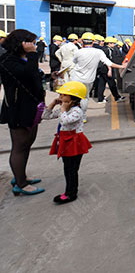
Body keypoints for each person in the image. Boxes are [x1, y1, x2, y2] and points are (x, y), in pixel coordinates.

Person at [0, 29, 46, 196]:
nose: (34, 46)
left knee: (27, 143)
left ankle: (21, 176)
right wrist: (33, 55)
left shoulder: (22, 58)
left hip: (31, 107)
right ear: (21, 43)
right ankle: (20, 184)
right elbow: (27, 74)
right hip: (18, 109)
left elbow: (33, 76)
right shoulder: (7, 61)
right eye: (31, 43)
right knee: (19, 146)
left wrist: (49, 77)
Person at [44, 81, 92, 204]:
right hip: (66, 141)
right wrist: (52, 104)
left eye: (63, 95)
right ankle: (69, 191)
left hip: (74, 143)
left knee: (71, 169)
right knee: (67, 168)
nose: (60, 97)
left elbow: (65, 121)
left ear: (73, 99)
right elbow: (45, 116)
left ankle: (71, 193)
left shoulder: (77, 111)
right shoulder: (65, 110)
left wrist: (63, 109)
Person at [70, 32, 125, 121]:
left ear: (82, 41)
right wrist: (122, 66)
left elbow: (74, 62)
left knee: (74, 97)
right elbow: (109, 63)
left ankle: (72, 115)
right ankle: (82, 116)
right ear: (93, 42)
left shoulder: (78, 52)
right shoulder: (98, 52)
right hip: (88, 79)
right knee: (85, 98)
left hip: (76, 78)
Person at [94, 37, 124, 103]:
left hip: (102, 69)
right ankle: (117, 97)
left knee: (102, 83)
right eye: (113, 43)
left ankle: (100, 99)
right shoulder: (107, 50)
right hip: (106, 69)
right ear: (109, 43)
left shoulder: (105, 49)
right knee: (112, 83)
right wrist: (109, 70)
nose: (114, 45)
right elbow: (106, 61)